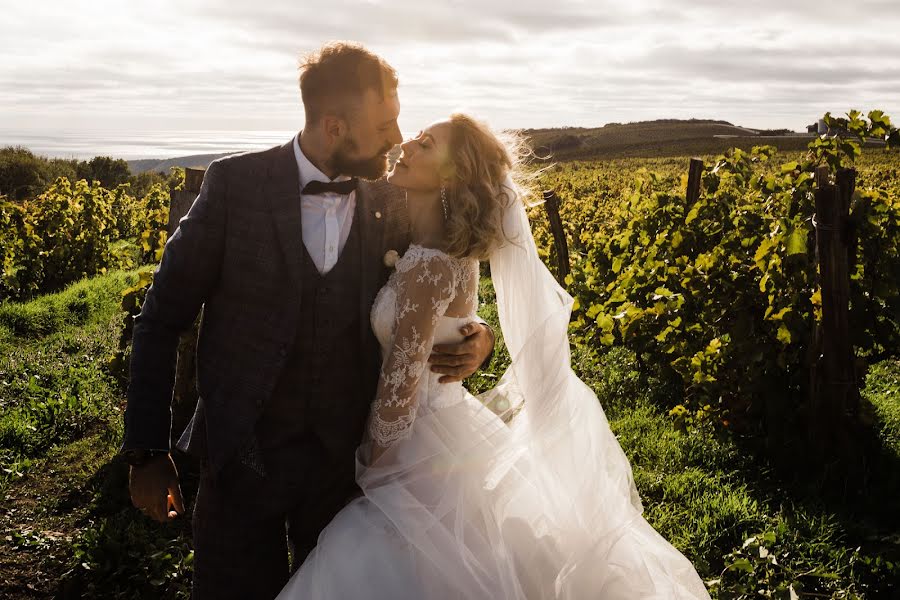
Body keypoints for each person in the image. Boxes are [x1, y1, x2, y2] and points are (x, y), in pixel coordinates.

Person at [275, 114, 713, 599]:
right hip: (449, 428)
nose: (406, 145)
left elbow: (397, 398)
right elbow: (448, 328)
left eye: (425, 144)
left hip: (415, 445)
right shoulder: (441, 252)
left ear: (449, 175)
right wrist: (477, 334)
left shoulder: (426, 268)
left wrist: (374, 479)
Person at [118, 42, 495, 599]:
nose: (398, 138)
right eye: (386, 124)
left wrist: (478, 338)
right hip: (241, 461)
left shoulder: (393, 200)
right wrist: (148, 451)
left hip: (345, 470)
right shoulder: (233, 187)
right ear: (336, 126)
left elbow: (443, 276)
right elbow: (160, 316)